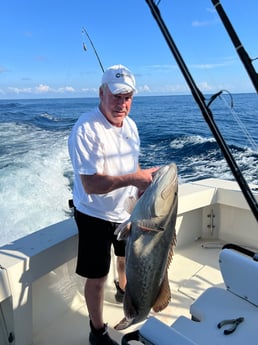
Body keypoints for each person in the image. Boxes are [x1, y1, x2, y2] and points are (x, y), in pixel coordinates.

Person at [68, 64, 157, 345]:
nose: (122, 103)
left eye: (127, 96)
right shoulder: (86, 128)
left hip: (125, 210)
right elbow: (91, 185)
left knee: (125, 259)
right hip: (94, 214)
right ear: (101, 93)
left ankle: (123, 290)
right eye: (116, 96)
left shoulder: (130, 125)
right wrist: (135, 177)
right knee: (97, 277)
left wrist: (141, 185)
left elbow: (134, 164)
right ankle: (98, 331)